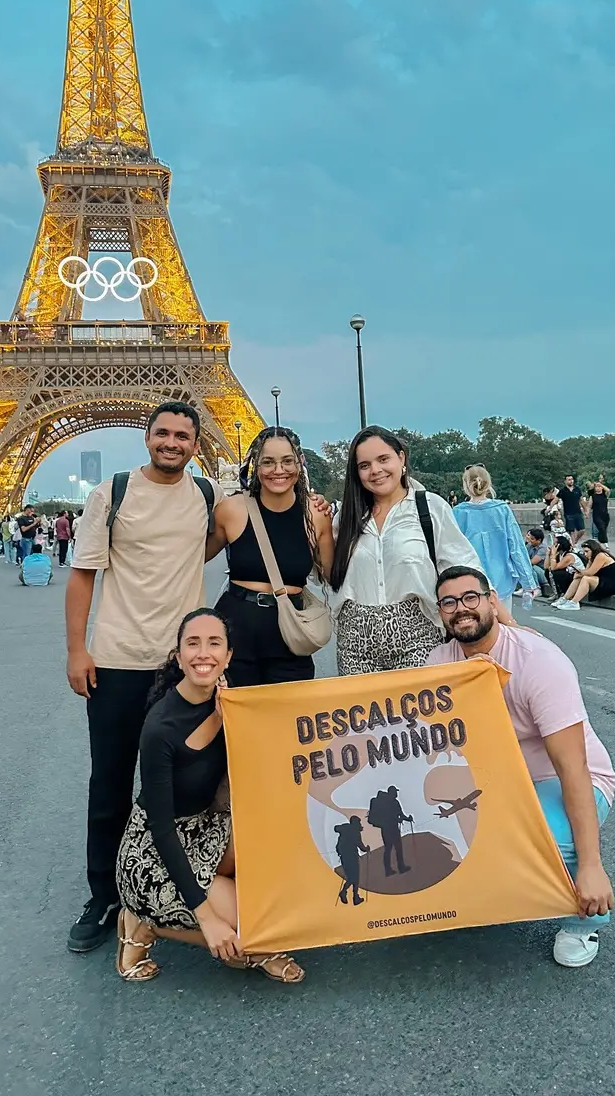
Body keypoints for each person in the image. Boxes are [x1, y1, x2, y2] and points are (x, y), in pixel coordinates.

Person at [65, 402, 223, 954]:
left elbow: (245, 526)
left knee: (188, 786)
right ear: (147, 438)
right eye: (163, 433)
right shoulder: (111, 494)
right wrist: (76, 650)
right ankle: (103, 895)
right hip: (117, 660)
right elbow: (83, 576)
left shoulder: (206, 497)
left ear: (195, 445)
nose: (172, 442)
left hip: (186, 669)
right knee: (108, 783)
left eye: (183, 435)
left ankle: (173, 885)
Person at [429, 566, 615, 968]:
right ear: (441, 613)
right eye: (449, 602)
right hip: (497, 781)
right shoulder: (439, 664)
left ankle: (585, 920)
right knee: (425, 808)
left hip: (560, 779)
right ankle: (495, 888)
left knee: (544, 835)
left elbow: (573, 769)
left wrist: (592, 866)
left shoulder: (538, 662)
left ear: (491, 601)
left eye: (470, 598)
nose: (461, 609)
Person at [114, 608, 305, 984]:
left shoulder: (229, 696)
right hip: (155, 849)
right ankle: (142, 924)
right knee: (246, 940)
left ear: (229, 655)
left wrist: (231, 720)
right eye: (193, 644)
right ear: (179, 655)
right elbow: (161, 827)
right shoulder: (160, 728)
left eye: (214, 644)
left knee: (277, 885)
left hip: (206, 826)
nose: (204, 654)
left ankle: (221, 905)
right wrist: (207, 918)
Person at [328, 426, 484, 677]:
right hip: (356, 639)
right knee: (364, 715)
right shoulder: (347, 516)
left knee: (420, 715)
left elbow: (464, 567)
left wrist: (500, 617)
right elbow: (327, 570)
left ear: (401, 458)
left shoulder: (430, 507)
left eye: (383, 459)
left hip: (418, 632)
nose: (375, 471)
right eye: (364, 465)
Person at [207, 426, 333, 688]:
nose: (279, 470)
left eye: (287, 461)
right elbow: (193, 556)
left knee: (289, 722)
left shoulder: (316, 514)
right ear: (256, 465)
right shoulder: (232, 509)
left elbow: (333, 574)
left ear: (300, 463)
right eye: (268, 462)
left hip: (290, 635)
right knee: (238, 723)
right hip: (235, 633)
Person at [452, 464, 537, 613]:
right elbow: (516, 548)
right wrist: (528, 583)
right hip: (501, 580)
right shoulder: (502, 509)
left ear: (465, 485)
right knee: (503, 628)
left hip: (469, 581)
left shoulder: (457, 512)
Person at [551, 541, 615, 611]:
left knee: (586, 579)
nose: (585, 554)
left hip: (614, 584)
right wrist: (579, 574)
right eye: (584, 552)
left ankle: (574, 602)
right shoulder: (592, 557)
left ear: (593, 549)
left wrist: (580, 573)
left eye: (587, 551)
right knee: (580, 577)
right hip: (604, 581)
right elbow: (586, 571)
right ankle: (565, 599)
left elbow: (590, 572)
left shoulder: (601, 556)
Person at [367, 786, 412, 876]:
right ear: (392, 792)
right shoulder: (394, 802)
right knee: (397, 848)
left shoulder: (386, 802)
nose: (396, 793)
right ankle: (401, 867)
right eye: (395, 792)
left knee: (388, 849)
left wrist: (404, 818)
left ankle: (388, 870)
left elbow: (399, 815)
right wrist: (408, 819)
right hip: (393, 828)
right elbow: (401, 815)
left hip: (385, 829)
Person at [334, 817, 370, 906]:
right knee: (354, 877)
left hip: (344, 857)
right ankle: (350, 895)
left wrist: (343, 828)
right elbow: (361, 846)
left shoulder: (345, 828)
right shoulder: (355, 832)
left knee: (351, 877)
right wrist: (367, 849)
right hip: (352, 857)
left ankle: (352, 895)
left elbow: (336, 828)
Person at [544, 532, 584, 599]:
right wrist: (548, 554)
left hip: (576, 576)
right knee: (547, 572)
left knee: (556, 573)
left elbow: (553, 568)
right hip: (569, 575)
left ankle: (564, 593)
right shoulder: (559, 555)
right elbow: (546, 567)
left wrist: (553, 555)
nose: (552, 545)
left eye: (554, 544)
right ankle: (557, 593)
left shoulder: (569, 556)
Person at [556, 475, 586, 545]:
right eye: (569, 479)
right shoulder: (563, 491)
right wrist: (550, 508)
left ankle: (575, 541)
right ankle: (573, 545)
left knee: (582, 530)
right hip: (568, 513)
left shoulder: (577, 489)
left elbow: (581, 500)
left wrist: (586, 510)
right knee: (571, 531)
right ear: (565, 481)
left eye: (572, 479)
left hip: (578, 512)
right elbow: (556, 499)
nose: (571, 481)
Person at [525, 527, 551, 596]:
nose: (530, 540)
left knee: (530, 566)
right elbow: (523, 557)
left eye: (532, 539)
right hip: (534, 572)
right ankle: (527, 587)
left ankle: (537, 588)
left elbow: (532, 562)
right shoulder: (529, 546)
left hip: (543, 573)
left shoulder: (543, 548)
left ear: (539, 540)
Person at [587, 477, 611, 544]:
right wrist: (587, 513)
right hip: (596, 515)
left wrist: (600, 484)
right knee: (600, 528)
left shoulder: (605, 495)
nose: (598, 488)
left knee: (603, 530)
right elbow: (589, 505)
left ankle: (601, 542)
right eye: (596, 487)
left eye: (599, 487)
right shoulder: (593, 496)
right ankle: (604, 543)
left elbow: (608, 491)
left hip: (605, 515)